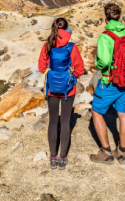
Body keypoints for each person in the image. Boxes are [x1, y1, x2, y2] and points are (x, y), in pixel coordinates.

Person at [90, 3, 125, 165]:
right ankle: (122, 153)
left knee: (96, 112)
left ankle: (106, 152)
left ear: (106, 17)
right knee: (122, 115)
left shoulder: (105, 36)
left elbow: (104, 61)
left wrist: (98, 64)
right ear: (119, 16)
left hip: (110, 82)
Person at [38, 17, 84, 170]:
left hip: (52, 89)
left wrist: (51, 75)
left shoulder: (48, 45)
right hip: (68, 90)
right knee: (65, 122)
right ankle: (62, 157)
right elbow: (79, 68)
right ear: (67, 29)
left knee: (53, 121)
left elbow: (41, 66)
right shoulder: (72, 47)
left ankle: (52, 157)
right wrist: (71, 78)